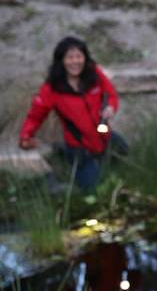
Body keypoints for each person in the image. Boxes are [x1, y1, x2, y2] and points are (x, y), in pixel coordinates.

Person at [19, 36, 126, 192]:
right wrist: (25, 137)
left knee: (123, 150)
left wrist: (111, 107)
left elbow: (111, 95)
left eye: (79, 57)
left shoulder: (94, 73)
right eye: (69, 57)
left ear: (85, 58)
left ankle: (95, 161)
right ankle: (63, 157)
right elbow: (35, 116)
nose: (75, 62)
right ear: (61, 60)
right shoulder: (51, 89)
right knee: (91, 189)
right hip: (80, 147)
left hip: (103, 135)